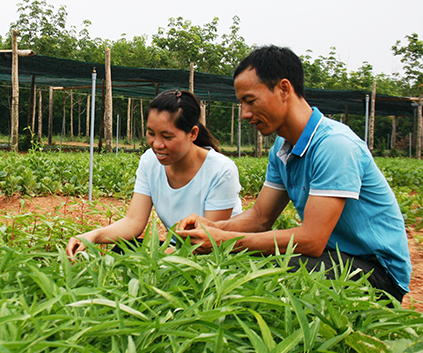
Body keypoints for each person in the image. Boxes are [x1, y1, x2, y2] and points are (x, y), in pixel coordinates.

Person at [176, 45, 411, 302]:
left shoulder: (334, 145)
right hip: (331, 257)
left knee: (268, 277)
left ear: (284, 89)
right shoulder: (282, 148)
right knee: (242, 268)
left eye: (250, 101)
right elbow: (259, 217)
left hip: (376, 273)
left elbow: (312, 240)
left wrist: (225, 240)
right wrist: (213, 229)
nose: (244, 114)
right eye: (241, 103)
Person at [66, 89, 242, 257]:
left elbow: (205, 242)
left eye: (167, 137)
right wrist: (92, 236)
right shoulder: (150, 161)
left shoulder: (221, 170)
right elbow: (133, 222)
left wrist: (151, 260)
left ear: (193, 133)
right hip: (176, 249)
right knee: (125, 248)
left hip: (215, 255)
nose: (157, 144)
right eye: (151, 133)